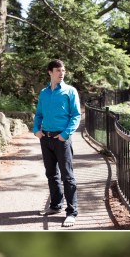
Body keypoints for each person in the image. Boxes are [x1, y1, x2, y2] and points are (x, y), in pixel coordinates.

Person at [33, 59, 81, 227]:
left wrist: (65, 134)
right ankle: (55, 206)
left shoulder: (70, 91)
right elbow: (39, 114)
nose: (62, 73)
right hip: (45, 139)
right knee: (51, 174)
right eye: (58, 70)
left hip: (61, 139)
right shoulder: (44, 93)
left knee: (67, 176)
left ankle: (72, 212)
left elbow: (76, 115)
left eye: (63, 70)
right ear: (50, 72)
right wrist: (36, 130)